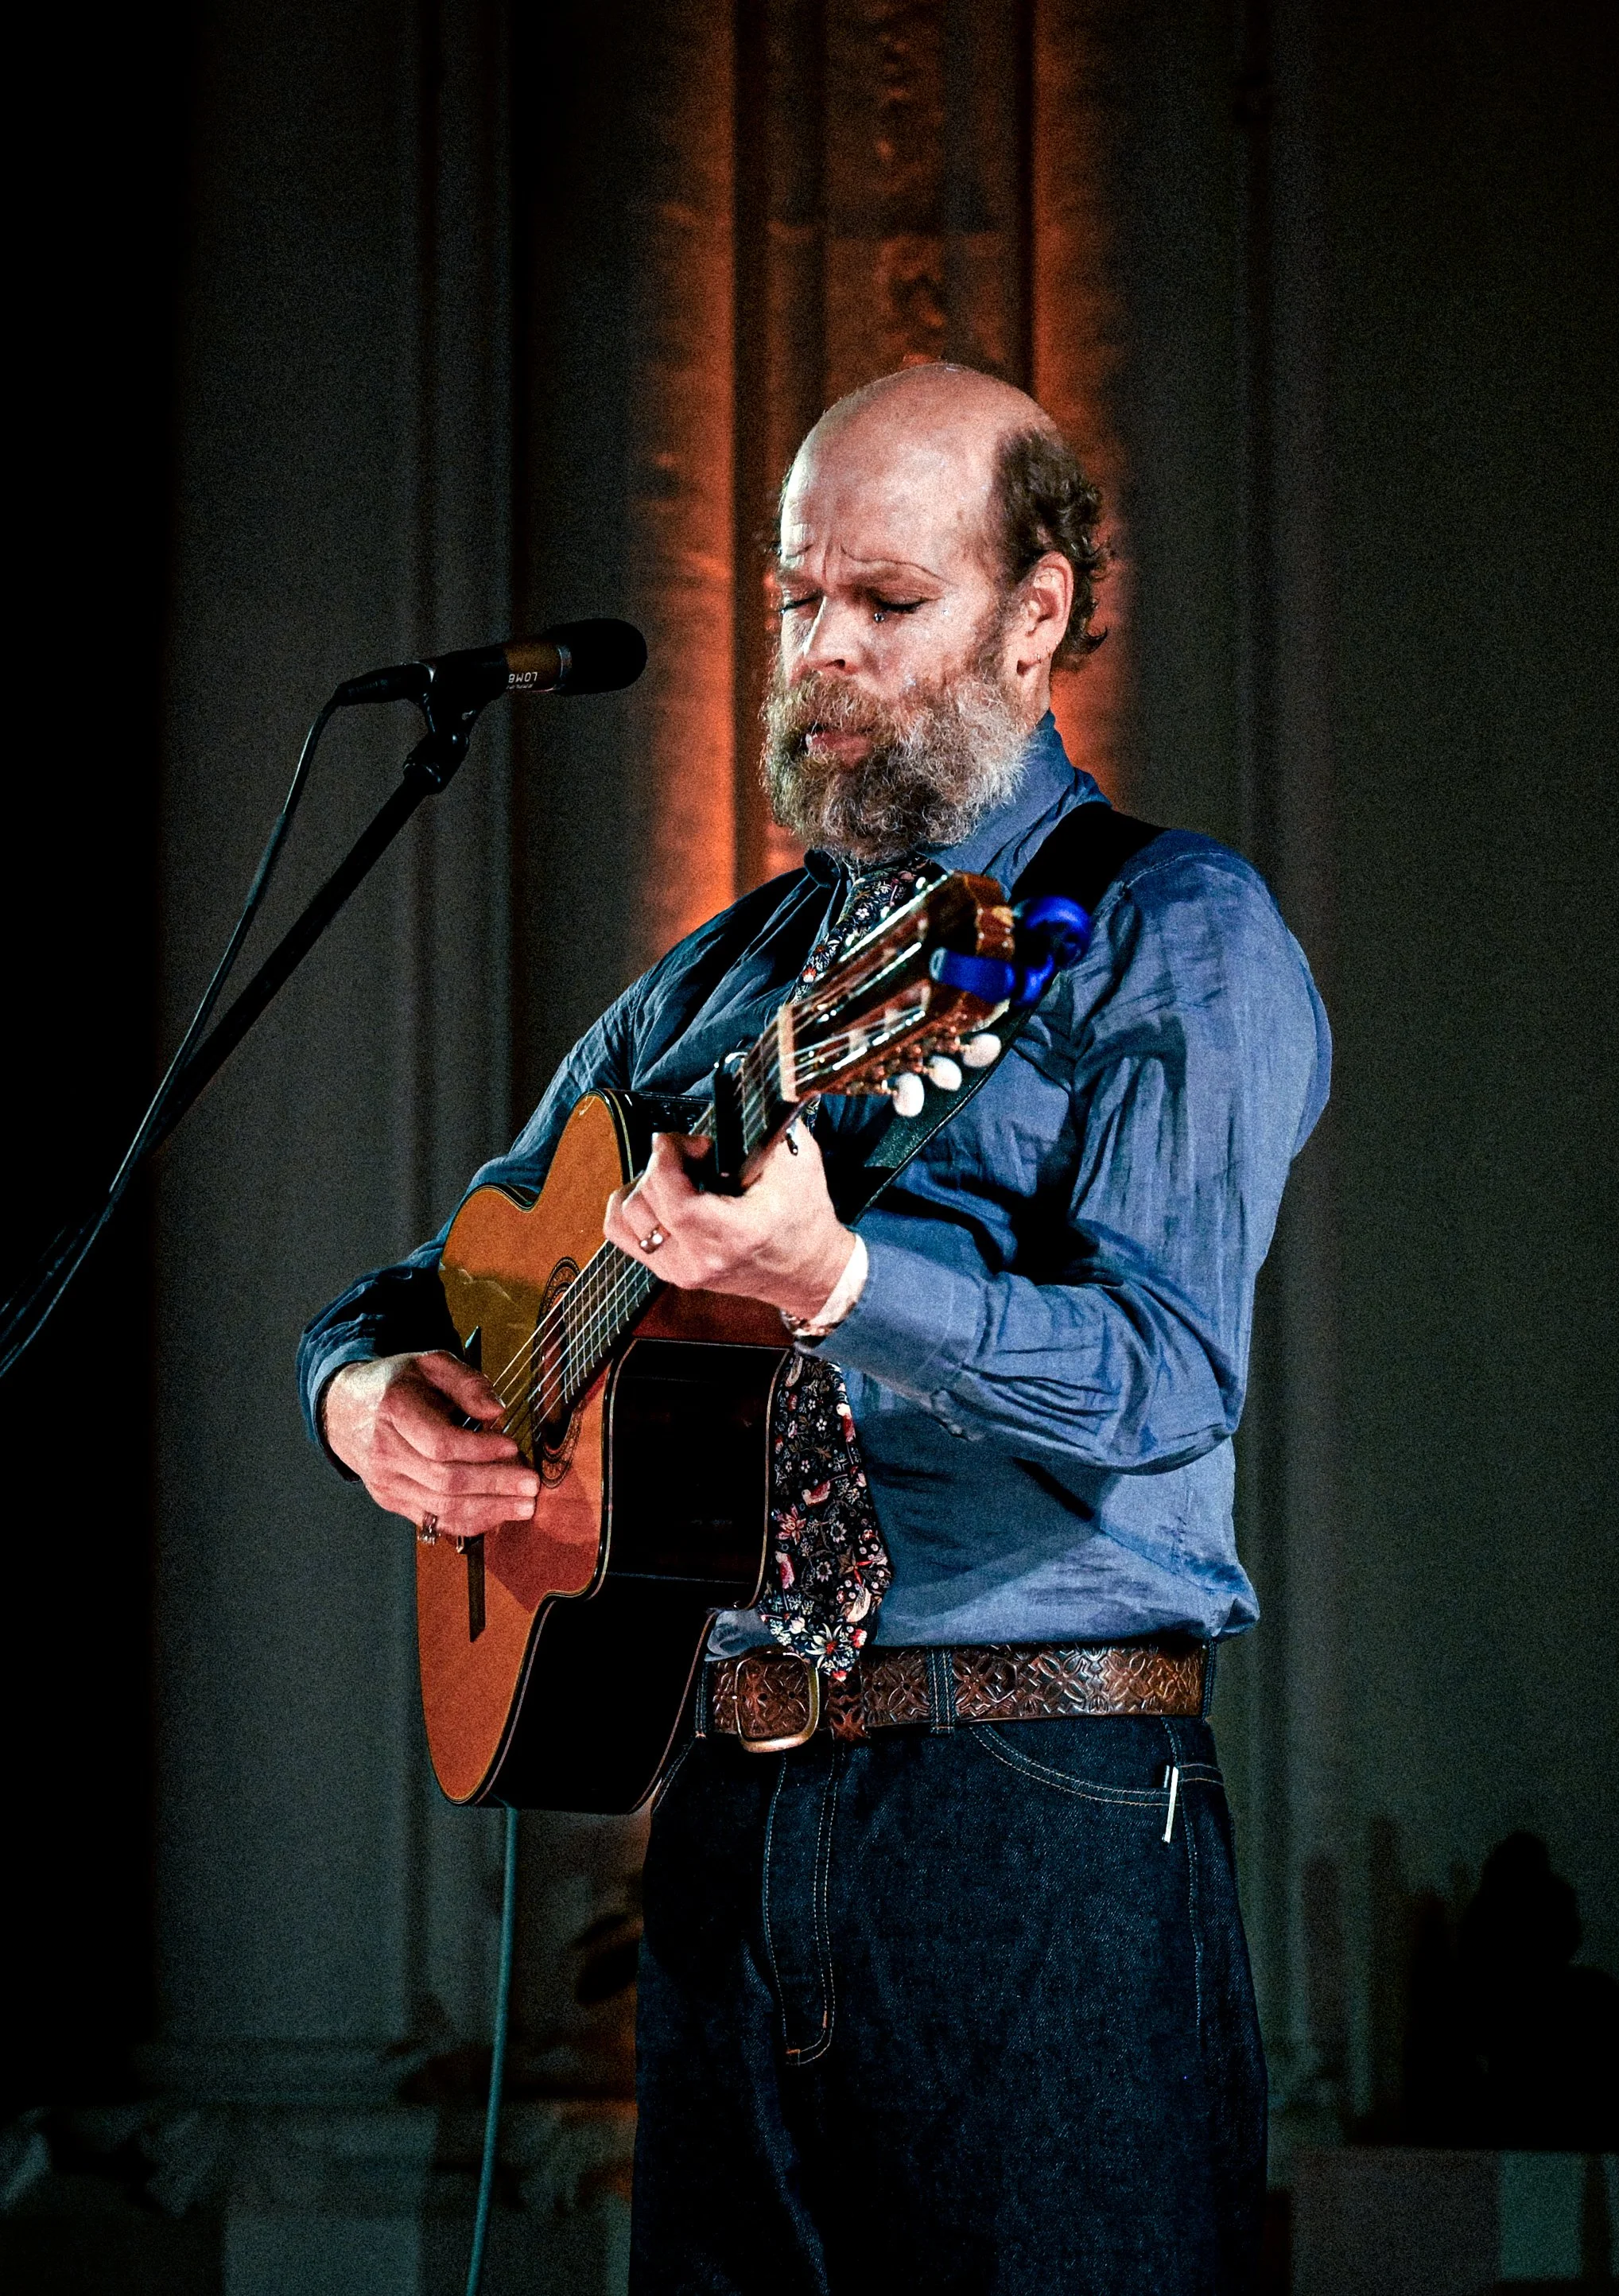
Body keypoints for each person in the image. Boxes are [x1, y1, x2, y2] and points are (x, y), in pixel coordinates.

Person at [301, 362, 1330, 2294]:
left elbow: (1171, 1381)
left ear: (1040, 611)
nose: (826, 656)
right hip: (724, 1800)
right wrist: (362, 1393)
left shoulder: (1174, 931)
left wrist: (842, 1282)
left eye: (889, 602)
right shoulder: (718, 980)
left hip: (1036, 1805)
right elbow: (439, 1293)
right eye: (799, 603)